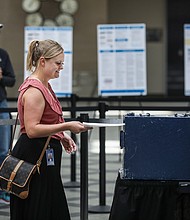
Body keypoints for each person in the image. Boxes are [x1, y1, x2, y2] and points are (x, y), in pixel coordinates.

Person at [10, 39, 92, 220]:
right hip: (34, 156)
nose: (61, 67)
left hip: (43, 156)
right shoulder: (35, 90)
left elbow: (45, 121)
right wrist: (67, 126)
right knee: (38, 206)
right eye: (57, 63)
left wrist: (59, 136)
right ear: (42, 61)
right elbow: (32, 130)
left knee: (48, 205)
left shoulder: (45, 86)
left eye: (62, 63)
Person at [0, 23, 16, 204]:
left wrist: (1, 78)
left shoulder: (3, 54)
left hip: (1, 106)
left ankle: (4, 189)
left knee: (4, 150)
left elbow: (12, 80)